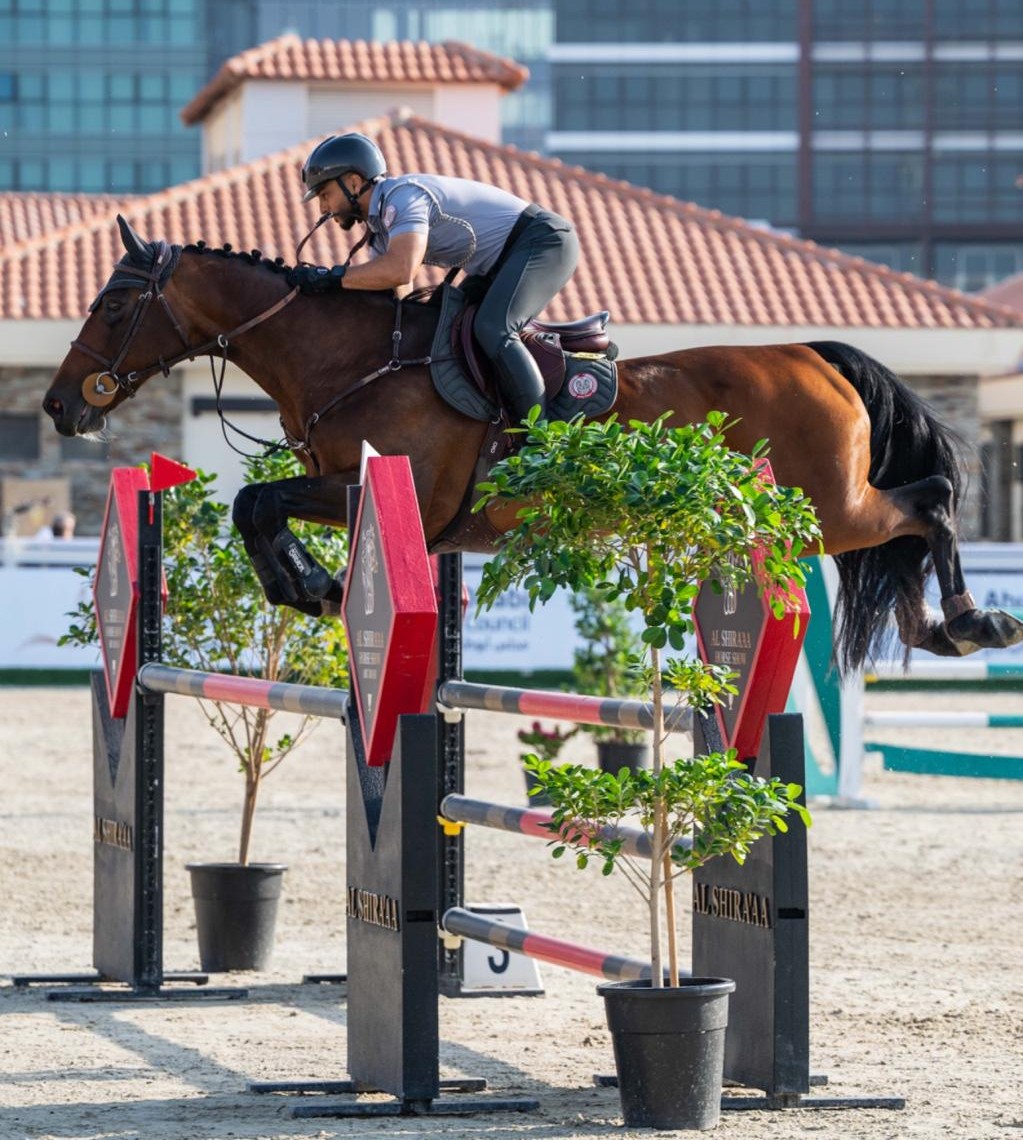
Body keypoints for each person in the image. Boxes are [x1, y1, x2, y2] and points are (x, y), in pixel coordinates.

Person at [289, 132, 580, 423]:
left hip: (544, 240)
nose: (323, 208)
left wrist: (331, 277)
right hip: (499, 263)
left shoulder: (403, 197)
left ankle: (539, 436)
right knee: (440, 331)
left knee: (492, 328)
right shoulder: (379, 232)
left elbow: (401, 268)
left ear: (353, 182)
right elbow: (395, 294)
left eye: (325, 195)